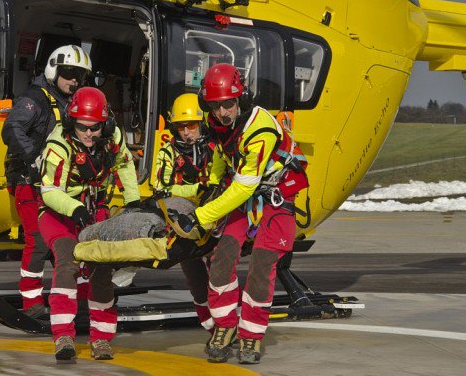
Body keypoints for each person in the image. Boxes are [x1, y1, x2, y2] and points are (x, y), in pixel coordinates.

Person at [176, 63, 306, 364]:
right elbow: (224, 153)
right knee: (221, 262)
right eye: (216, 105)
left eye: (229, 104)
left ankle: (251, 335)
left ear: (242, 99)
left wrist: (201, 215)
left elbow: (245, 187)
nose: (223, 112)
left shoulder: (260, 129)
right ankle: (225, 326)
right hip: (244, 197)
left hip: (276, 198)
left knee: (262, 266)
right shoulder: (218, 122)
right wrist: (211, 186)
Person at [38, 86, 141, 361]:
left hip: (96, 211)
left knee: (100, 270)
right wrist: (75, 208)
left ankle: (102, 339)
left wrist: (132, 203)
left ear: (104, 124)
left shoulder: (112, 137)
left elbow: (125, 164)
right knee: (67, 260)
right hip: (59, 212)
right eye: (82, 127)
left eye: (94, 128)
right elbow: (49, 192)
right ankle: (63, 336)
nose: (88, 134)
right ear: (72, 122)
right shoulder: (58, 145)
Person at [1, 45, 92, 319]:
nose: (74, 80)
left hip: (62, 185)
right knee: (38, 240)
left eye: (80, 75)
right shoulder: (35, 99)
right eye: (69, 73)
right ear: (54, 70)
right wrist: (34, 158)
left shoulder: (73, 103)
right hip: (30, 181)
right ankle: (31, 302)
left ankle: (78, 297)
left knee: (74, 240)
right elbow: (11, 128)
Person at [153, 93, 215, 332]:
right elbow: (161, 188)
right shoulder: (167, 153)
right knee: (195, 276)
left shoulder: (214, 148)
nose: (187, 132)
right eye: (181, 126)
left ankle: (225, 320)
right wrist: (195, 188)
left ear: (202, 123)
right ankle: (209, 323)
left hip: (213, 216)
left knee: (220, 270)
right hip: (184, 221)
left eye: (192, 125)